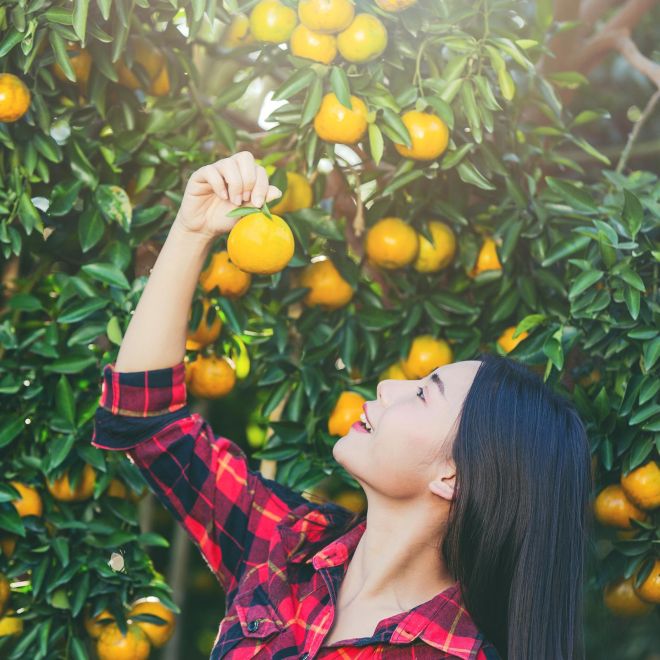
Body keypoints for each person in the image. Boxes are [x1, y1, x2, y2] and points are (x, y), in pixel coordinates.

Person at [92, 151, 593, 659]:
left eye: (422, 393)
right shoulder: (290, 550)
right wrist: (192, 230)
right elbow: (148, 422)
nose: (386, 388)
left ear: (453, 477)